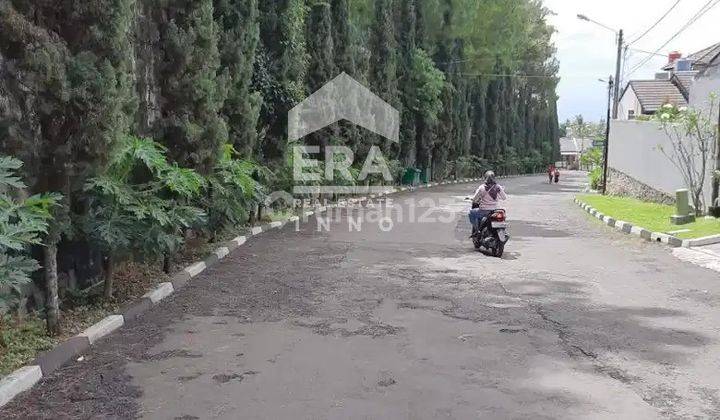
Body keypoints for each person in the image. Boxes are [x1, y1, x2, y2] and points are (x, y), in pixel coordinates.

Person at [469, 171, 507, 235]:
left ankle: (477, 230)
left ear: (485, 178)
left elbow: (475, 199)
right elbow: (504, 197)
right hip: (495, 210)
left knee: (471, 213)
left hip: (484, 210)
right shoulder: (498, 187)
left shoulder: (482, 187)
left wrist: (472, 199)